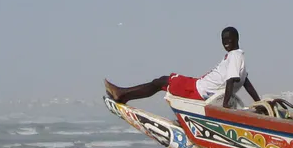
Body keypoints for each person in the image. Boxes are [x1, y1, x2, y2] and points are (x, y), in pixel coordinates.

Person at [105, 27, 261, 109]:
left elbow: (231, 80)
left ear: (237, 39)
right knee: (162, 82)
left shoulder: (234, 55)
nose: (226, 42)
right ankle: (124, 95)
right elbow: (246, 83)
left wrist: (226, 105)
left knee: (160, 82)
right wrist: (258, 102)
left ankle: (122, 94)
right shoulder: (239, 57)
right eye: (223, 39)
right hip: (197, 85)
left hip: (196, 90)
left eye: (229, 39)